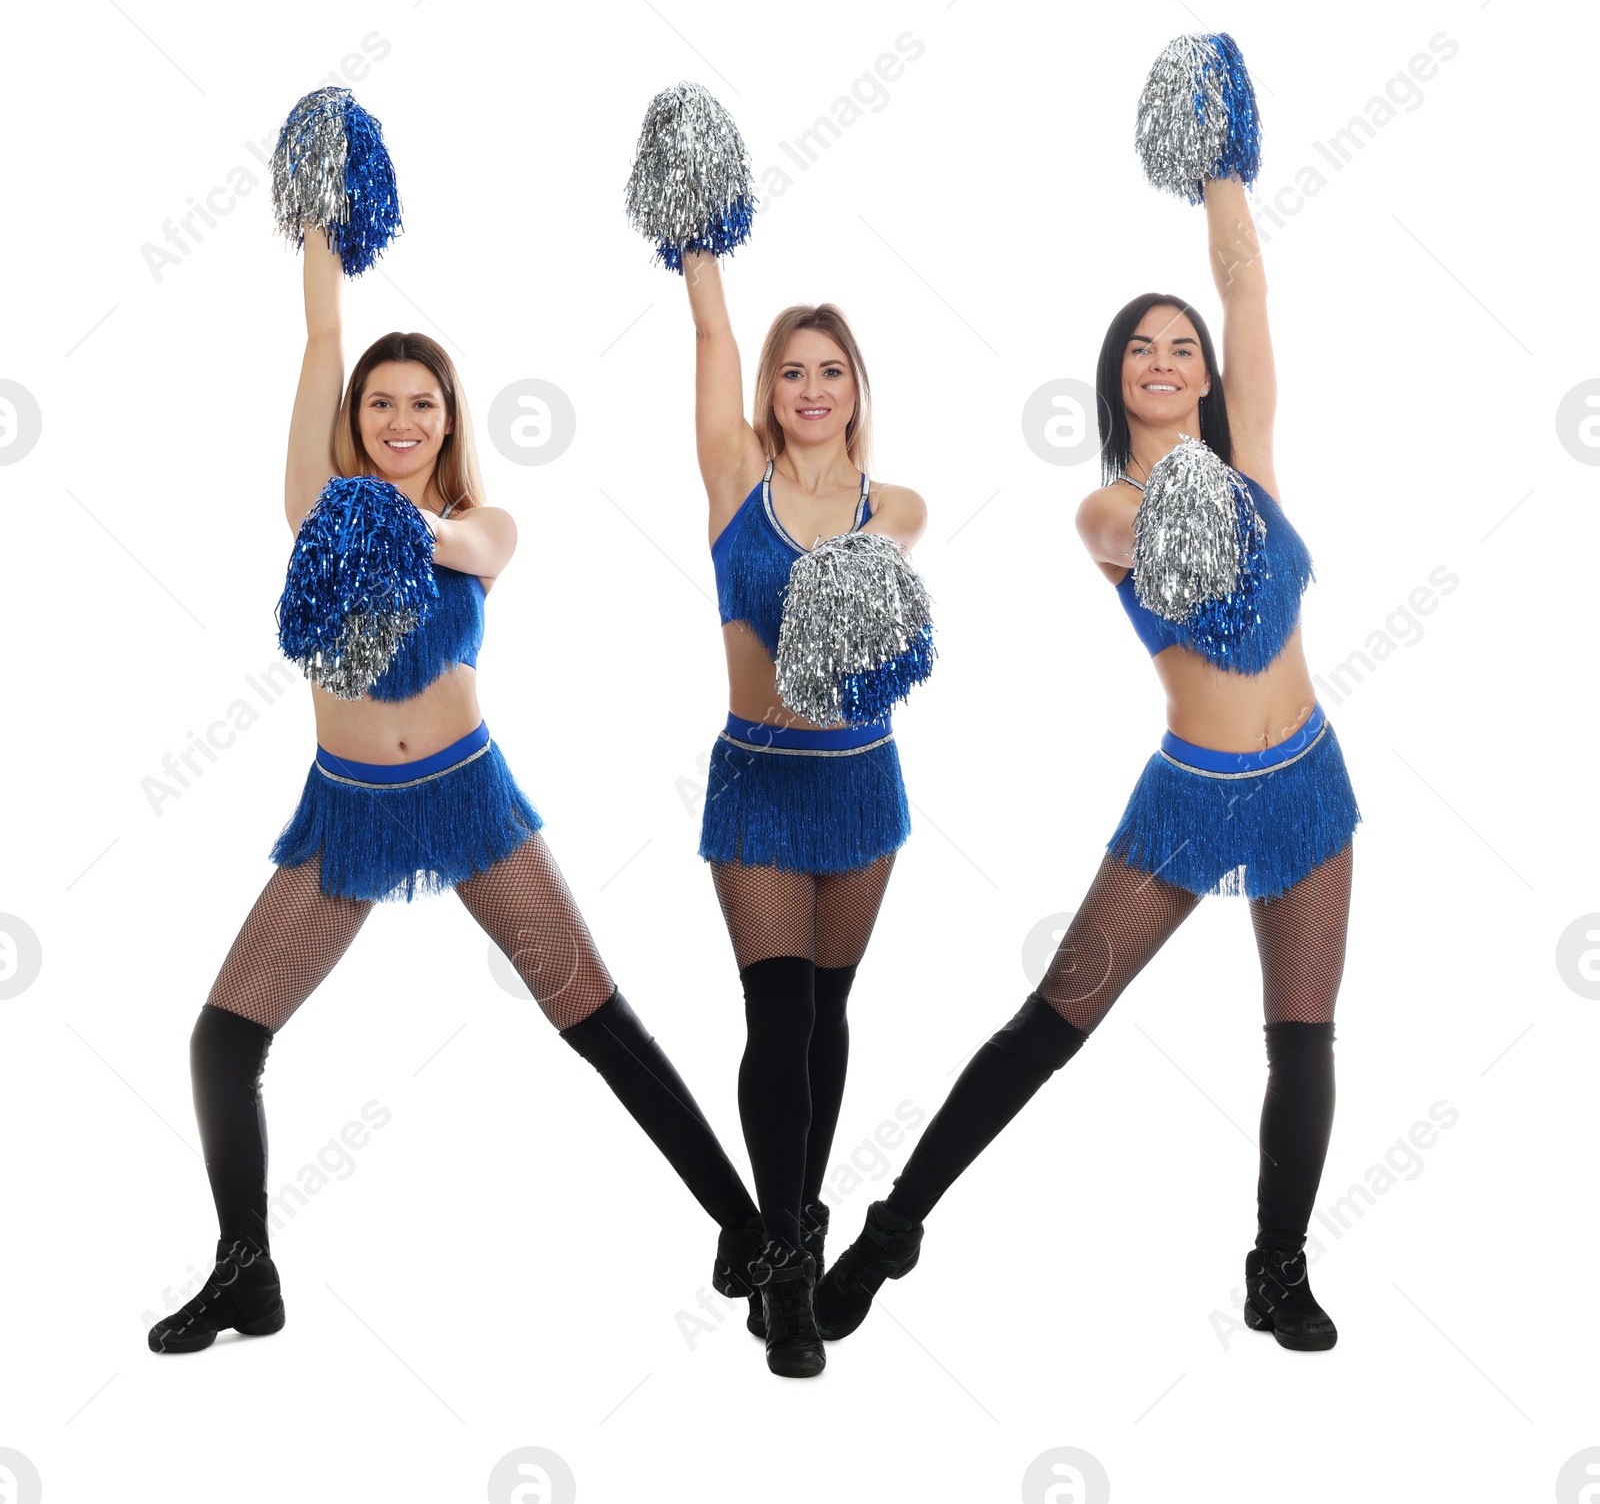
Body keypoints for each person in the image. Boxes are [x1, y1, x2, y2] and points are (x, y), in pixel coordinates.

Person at [148, 221, 758, 1352]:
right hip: (344, 809)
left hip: (467, 799)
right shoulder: (314, 512)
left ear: (449, 420)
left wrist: (392, 520)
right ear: (358, 418)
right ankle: (246, 1274)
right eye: (380, 403)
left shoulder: (483, 522)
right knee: (222, 1040)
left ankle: (746, 1227)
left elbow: (471, 550)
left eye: (421, 403)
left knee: (595, 1017)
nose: (398, 419)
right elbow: (321, 329)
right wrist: (325, 223)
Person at [816, 173, 1360, 1353]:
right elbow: (1152, 532)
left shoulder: (1253, 456)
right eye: (1138, 351)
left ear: (1208, 374)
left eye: (1181, 348)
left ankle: (1276, 1272)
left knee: (1303, 1035)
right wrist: (1187, 475)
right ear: (1115, 381)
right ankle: (890, 1228)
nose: (1162, 360)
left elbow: (1244, 280)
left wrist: (1219, 170)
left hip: (1309, 780)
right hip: (1194, 797)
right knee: (1059, 1013)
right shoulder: (1107, 509)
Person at [681, 244, 928, 1377]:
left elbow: (890, 554)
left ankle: (804, 1215)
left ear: (856, 387)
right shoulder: (736, 477)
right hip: (761, 780)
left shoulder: (896, 504)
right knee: (775, 1017)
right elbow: (709, 342)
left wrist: (864, 544)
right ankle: (782, 1270)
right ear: (770, 391)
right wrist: (701, 254)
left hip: (862, 780)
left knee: (829, 1016)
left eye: (831, 370)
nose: (812, 388)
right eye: (793, 371)